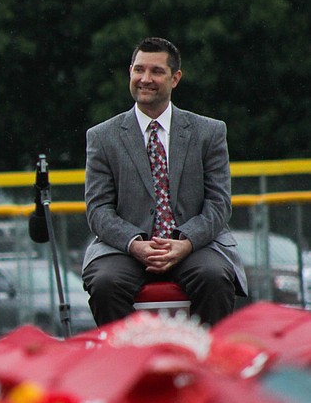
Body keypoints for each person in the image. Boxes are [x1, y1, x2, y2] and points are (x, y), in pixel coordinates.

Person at [82, 37, 246, 325]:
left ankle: (203, 364)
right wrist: (135, 244)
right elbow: (98, 210)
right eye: (139, 70)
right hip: (126, 248)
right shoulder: (102, 137)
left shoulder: (208, 132)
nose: (146, 79)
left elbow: (219, 204)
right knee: (105, 283)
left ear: (175, 78)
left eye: (156, 71)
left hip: (195, 246)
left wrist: (185, 242)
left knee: (215, 277)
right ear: (130, 72)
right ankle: (129, 365)